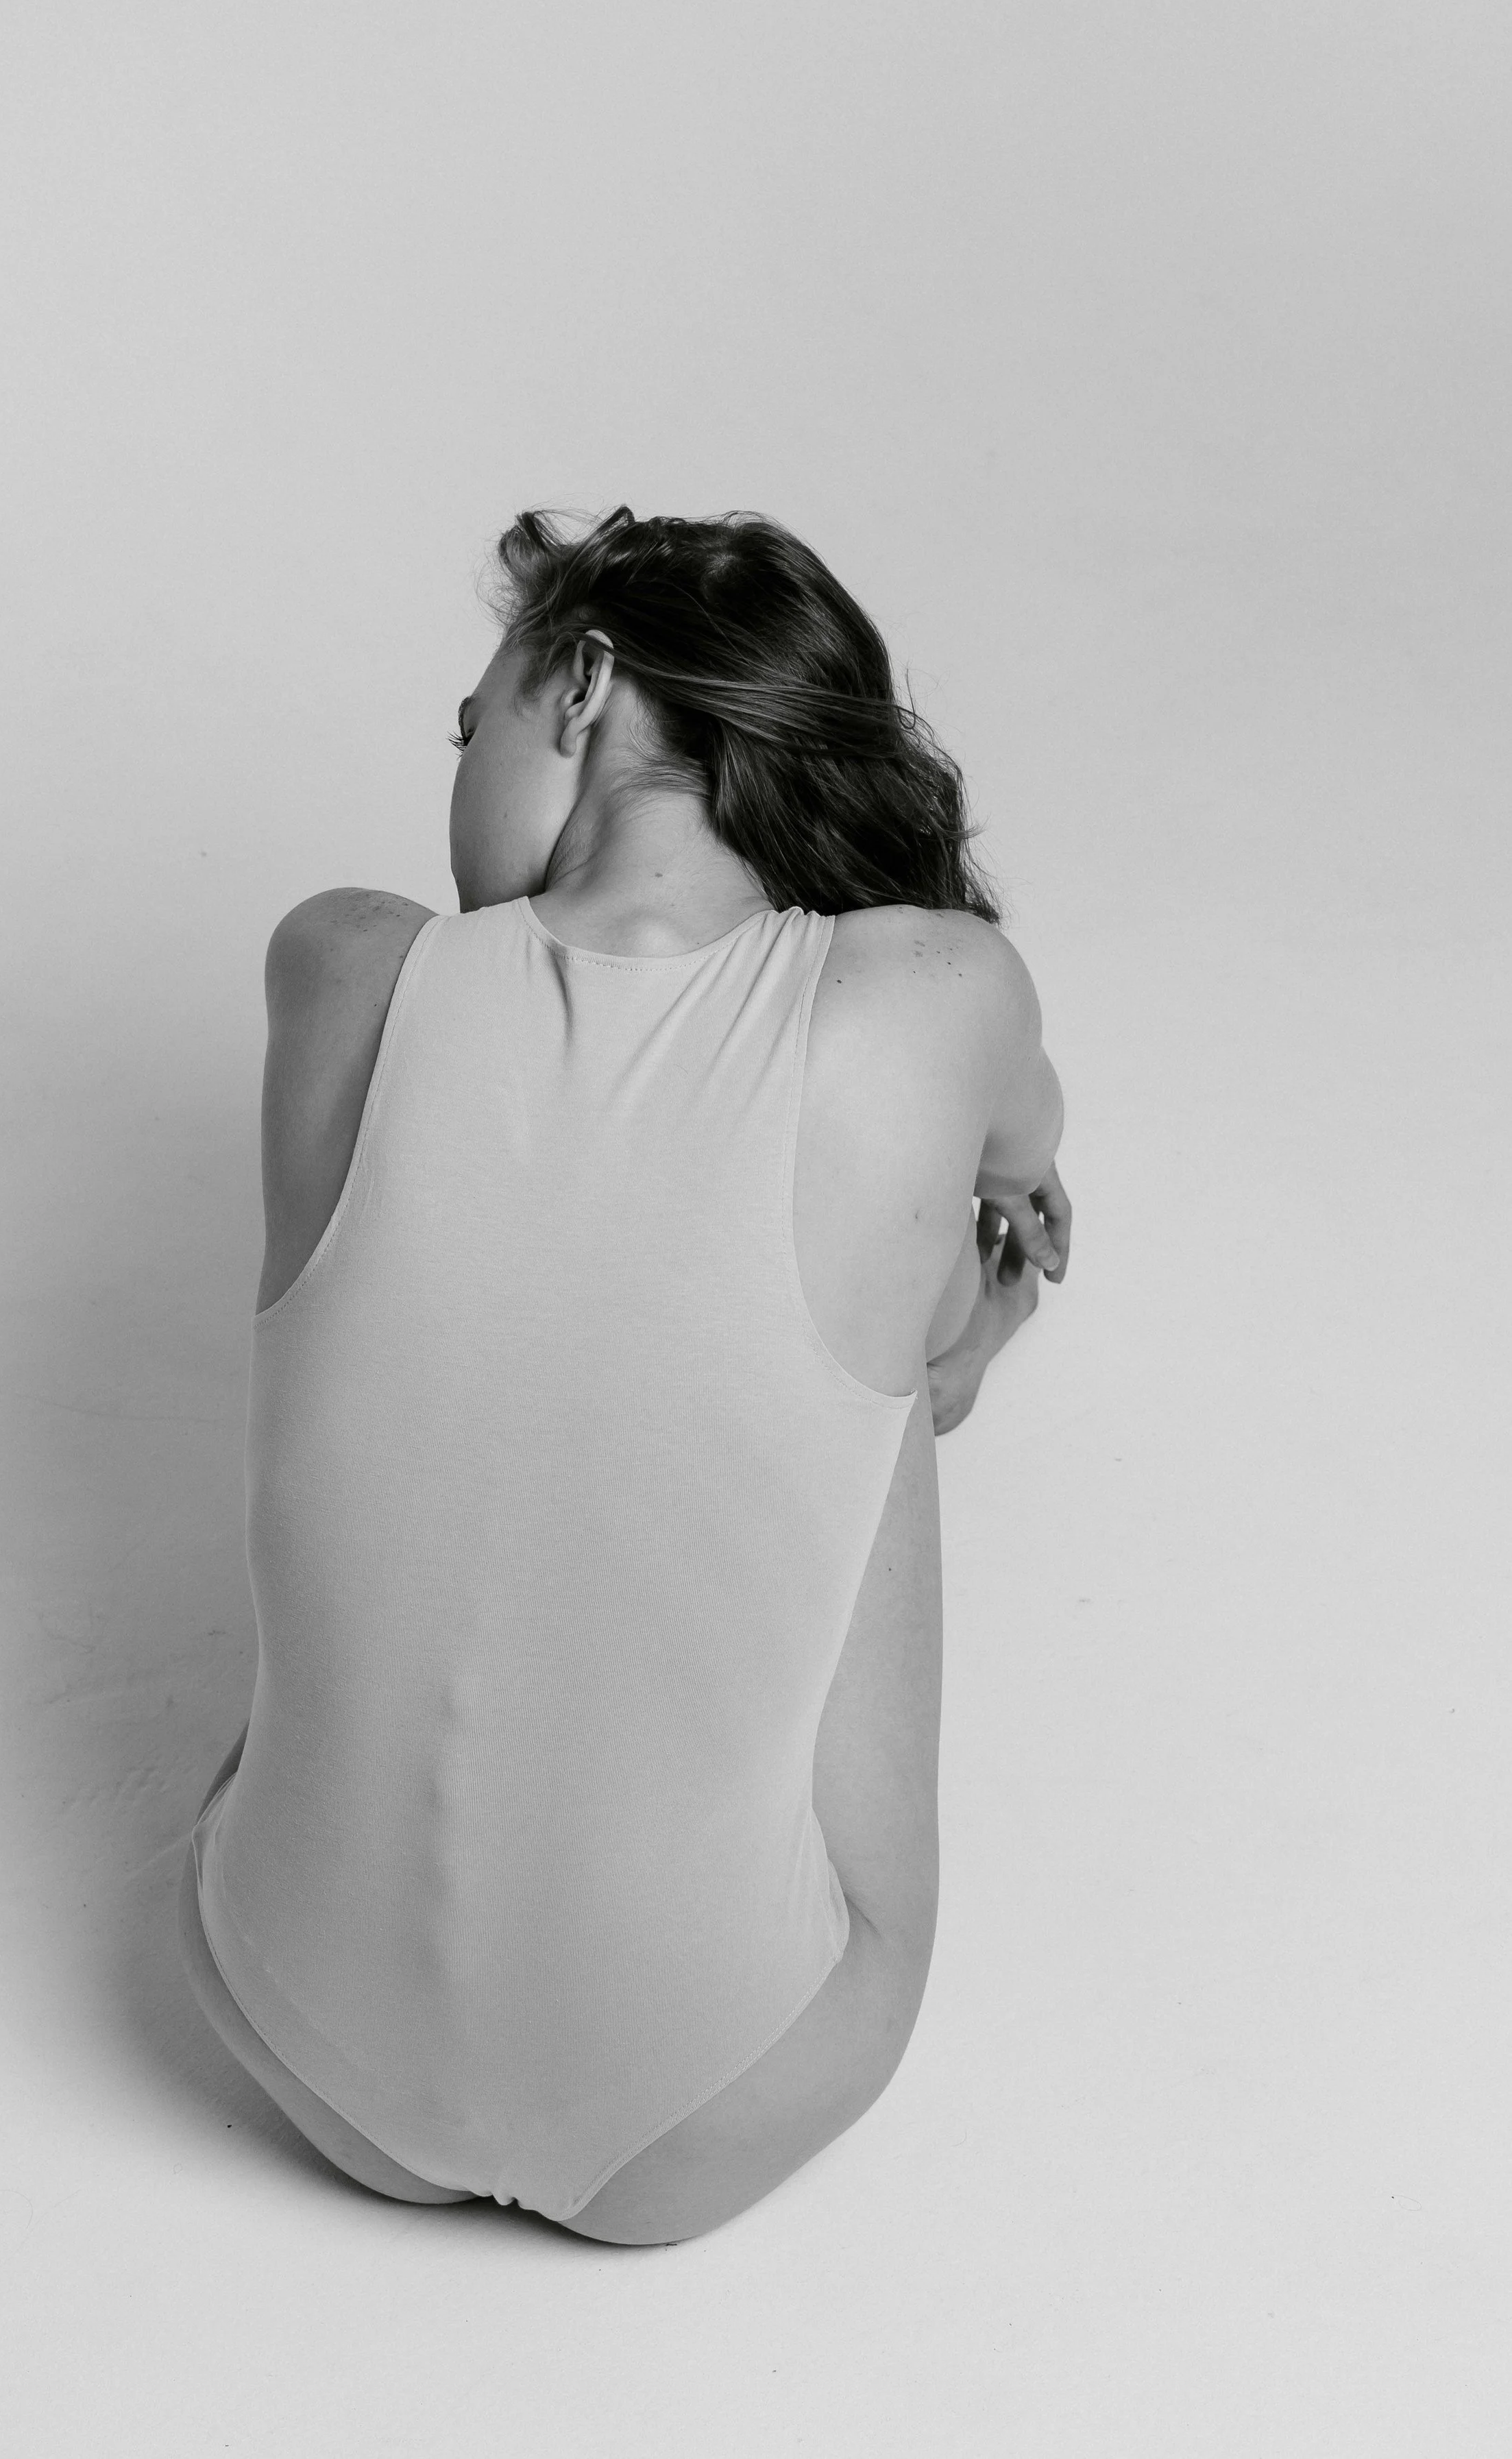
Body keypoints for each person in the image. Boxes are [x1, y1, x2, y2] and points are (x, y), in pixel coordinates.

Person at [178, 505, 1071, 2246]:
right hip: (722, 2101)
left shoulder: (337, 966)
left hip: (280, 2026)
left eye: (473, 723)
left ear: (579, 681)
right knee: (877, 1362)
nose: (457, 775)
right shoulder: (939, 988)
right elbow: (1027, 1179)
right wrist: (975, 1306)